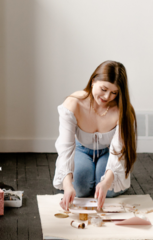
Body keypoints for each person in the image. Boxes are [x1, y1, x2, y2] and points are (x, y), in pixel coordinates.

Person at [53, 60, 137, 211]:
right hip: (81, 149)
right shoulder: (73, 104)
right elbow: (65, 149)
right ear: (93, 81)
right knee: (79, 189)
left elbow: (119, 151)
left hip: (108, 152)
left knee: (108, 190)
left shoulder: (122, 110)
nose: (107, 96)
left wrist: (105, 183)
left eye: (114, 93)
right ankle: (90, 178)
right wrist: (67, 186)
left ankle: (99, 178)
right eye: (104, 89)